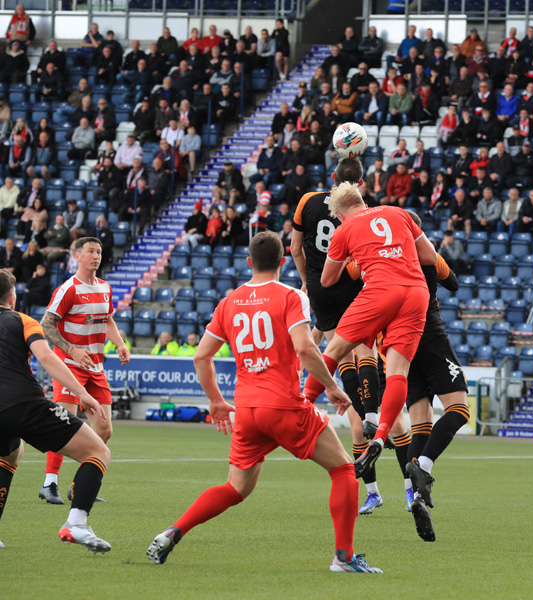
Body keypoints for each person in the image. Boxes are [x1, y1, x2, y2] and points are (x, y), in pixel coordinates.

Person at [147, 231, 380, 572]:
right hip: (284, 406)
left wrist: (215, 401)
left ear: (248, 263)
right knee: (344, 469)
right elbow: (304, 348)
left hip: (247, 411)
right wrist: (331, 386)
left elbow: (201, 357)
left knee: (236, 487)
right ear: (283, 262)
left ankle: (173, 530)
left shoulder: (229, 302)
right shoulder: (290, 296)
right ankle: (343, 557)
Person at [302, 180, 437, 479]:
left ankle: (303, 404)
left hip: (380, 290)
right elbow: (429, 256)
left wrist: (354, 260)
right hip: (416, 292)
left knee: (335, 350)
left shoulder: (344, 229)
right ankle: (380, 436)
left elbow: (326, 280)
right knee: (398, 372)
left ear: (339, 211)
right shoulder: (398, 212)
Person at [0, 268, 114, 551]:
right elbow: (47, 358)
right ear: (12, 297)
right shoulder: (24, 321)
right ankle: (76, 524)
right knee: (98, 450)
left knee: (11, 453)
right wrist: (82, 393)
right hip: (25, 404)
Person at [37, 237, 129, 505]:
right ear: (77, 256)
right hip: (70, 366)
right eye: (90, 251)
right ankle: (49, 482)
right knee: (64, 424)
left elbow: (107, 319)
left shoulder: (105, 287)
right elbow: (47, 325)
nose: (96, 256)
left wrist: (120, 344)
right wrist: (71, 349)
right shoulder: (68, 289)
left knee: (104, 429)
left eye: (99, 252)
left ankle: (79, 485)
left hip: (96, 368)